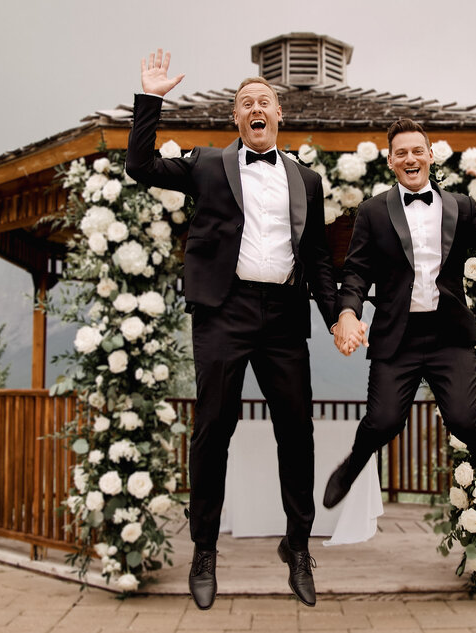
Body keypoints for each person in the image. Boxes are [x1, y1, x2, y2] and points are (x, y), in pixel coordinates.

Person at [126, 50, 352, 610]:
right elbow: (142, 167)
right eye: (245, 102)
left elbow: (320, 258)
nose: (255, 107)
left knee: (297, 431)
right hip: (223, 311)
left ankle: (298, 545)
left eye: (264, 102)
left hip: (282, 316)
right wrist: (151, 99)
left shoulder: (308, 180)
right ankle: (204, 547)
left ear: (279, 116)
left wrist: (337, 316)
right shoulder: (207, 165)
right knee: (213, 429)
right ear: (237, 119)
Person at [325, 118, 476, 521]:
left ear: (429, 156)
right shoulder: (373, 212)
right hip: (399, 334)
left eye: (417, 151)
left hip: (449, 333)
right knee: (383, 421)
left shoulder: (460, 206)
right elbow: (356, 272)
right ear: (391, 161)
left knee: (465, 418)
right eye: (401, 153)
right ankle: (354, 464)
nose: (410, 158)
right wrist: (347, 312)